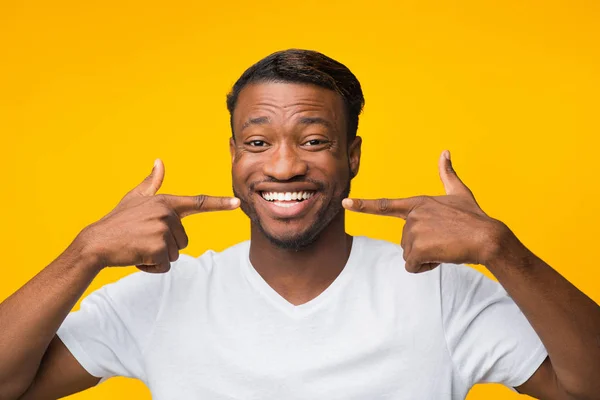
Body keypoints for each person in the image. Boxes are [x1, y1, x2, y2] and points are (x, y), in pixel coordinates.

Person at [0, 49, 598, 400]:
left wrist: (501, 248)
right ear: (233, 154)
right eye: (258, 141)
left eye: (314, 141)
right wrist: (85, 253)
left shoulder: (441, 291)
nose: (284, 165)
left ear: (353, 156)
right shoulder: (164, 294)